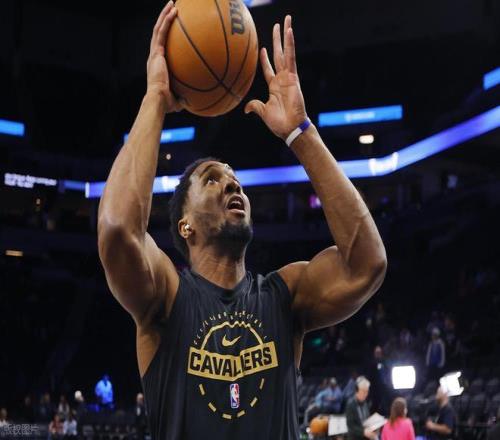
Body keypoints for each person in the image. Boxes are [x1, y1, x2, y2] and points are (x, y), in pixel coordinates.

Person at [97, 3, 387, 439]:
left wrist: (301, 133)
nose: (232, 184)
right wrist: (155, 96)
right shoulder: (167, 296)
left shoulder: (284, 296)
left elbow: (368, 264)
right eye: (212, 179)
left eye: (235, 180)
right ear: (185, 226)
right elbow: (118, 228)